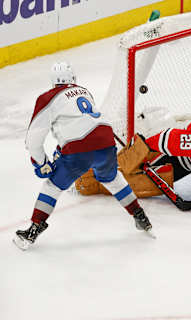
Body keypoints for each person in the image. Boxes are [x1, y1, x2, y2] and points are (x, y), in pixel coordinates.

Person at [14, 62, 153, 250]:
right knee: (113, 179)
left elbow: (33, 138)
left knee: (52, 186)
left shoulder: (48, 97)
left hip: (78, 149)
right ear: (73, 79)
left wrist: (41, 162)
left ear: (53, 82)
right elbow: (80, 123)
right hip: (106, 142)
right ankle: (140, 215)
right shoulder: (84, 91)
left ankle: (33, 230)